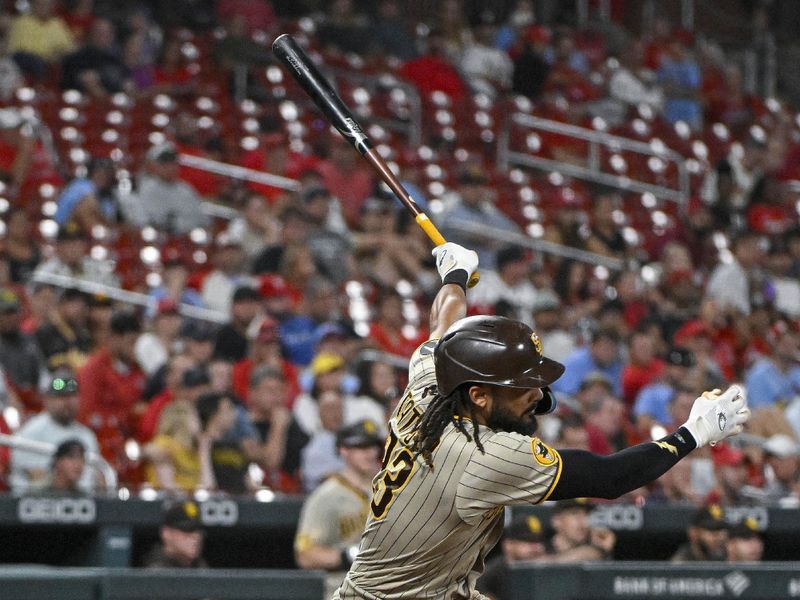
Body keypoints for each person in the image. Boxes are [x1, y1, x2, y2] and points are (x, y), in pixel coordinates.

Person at [332, 241, 749, 600]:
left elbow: (443, 324)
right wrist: (693, 433)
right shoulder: (483, 454)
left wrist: (455, 274)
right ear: (478, 395)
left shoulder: (431, 384)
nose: (537, 394)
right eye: (520, 386)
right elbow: (607, 478)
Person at [295, 420, 383, 594]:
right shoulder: (326, 496)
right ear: (344, 450)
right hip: (342, 587)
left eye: (372, 446)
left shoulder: (386, 487)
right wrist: (347, 555)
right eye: (361, 447)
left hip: (380, 587)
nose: (369, 453)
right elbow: (305, 555)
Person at [10, 370, 100, 493]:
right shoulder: (30, 433)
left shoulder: (87, 436)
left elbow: (91, 480)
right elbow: (28, 480)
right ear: (47, 400)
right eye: (61, 397)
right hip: (37, 503)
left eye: (72, 396)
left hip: (81, 502)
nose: (67, 402)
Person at [476, 515, 547, 599]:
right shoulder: (491, 575)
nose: (537, 548)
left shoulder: (547, 569)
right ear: (509, 544)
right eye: (528, 541)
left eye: (539, 541)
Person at [143, 500, 208, 568]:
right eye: (187, 530)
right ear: (166, 534)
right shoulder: (156, 571)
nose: (196, 536)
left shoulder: (200, 566)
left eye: (198, 531)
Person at [545, 499, 616, 561]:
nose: (584, 523)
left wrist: (602, 550)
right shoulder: (541, 546)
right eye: (575, 514)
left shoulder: (595, 549)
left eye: (587, 515)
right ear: (557, 520)